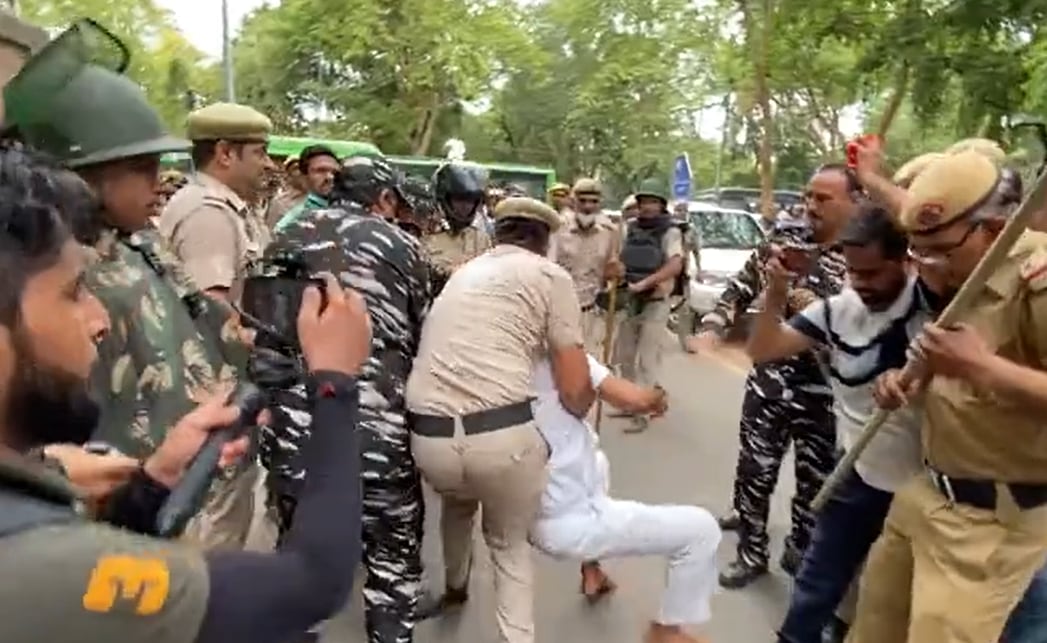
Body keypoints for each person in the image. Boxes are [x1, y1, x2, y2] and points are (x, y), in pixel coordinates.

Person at [0, 141, 373, 643]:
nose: (98, 320)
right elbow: (310, 582)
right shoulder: (34, 565)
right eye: (73, 293)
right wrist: (336, 382)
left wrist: (151, 484)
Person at [1, 23, 254, 549]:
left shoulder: (140, 245)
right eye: (141, 167)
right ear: (81, 176)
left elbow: (204, 324)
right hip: (116, 518)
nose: (159, 180)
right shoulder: (48, 281)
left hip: (187, 487)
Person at [847, 150, 1047, 643]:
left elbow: (979, 365)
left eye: (940, 252)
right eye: (919, 252)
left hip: (989, 527)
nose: (929, 267)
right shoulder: (965, 261)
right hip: (925, 493)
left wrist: (984, 366)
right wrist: (907, 382)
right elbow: (907, 205)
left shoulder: (1036, 283)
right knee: (870, 631)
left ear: (995, 230)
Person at [407, 196, 594, 643]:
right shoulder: (551, 276)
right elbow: (574, 388)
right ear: (545, 240)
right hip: (501, 442)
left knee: (458, 498)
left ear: (497, 234)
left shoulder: (462, 274)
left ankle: (454, 588)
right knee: (508, 547)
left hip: (428, 439)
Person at [260, 156, 430, 643]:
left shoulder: (288, 233)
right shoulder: (401, 244)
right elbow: (421, 332)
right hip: (376, 433)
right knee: (392, 565)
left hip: (296, 427)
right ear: (386, 199)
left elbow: (265, 327)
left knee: (297, 563)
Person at [744, 204, 925, 643]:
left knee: (892, 602)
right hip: (856, 472)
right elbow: (764, 348)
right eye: (853, 273)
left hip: (921, 488)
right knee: (816, 581)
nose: (861, 285)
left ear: (906, 261)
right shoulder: (839, 309)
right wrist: (777, 290)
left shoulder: (938, 312)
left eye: (873, 274)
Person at [688, 165, 855, 588]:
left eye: (823, 198)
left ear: (855, 201)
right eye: (808, 196)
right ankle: (752, 552)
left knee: (815, 484)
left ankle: (801, 550)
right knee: (755, 471)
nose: (810, 206)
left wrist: (812, 303)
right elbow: (740, 287)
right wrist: (712, 324)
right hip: (771, 383)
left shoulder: (863, 255)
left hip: (829, 394)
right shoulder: (783, 241)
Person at [529, 353, 721, 643]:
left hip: (518, 505)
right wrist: (658, 395)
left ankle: (592, 570)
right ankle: (667, 631)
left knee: (598, 461)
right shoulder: (563, 354)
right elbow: (637, 400)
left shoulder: (494, 357)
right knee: (702, 530)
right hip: (565, 520)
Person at [160, 102, 274, 303]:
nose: (268, 163)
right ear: (225, 154)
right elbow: (214, 312)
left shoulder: (229, 207)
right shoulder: (208, 214)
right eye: (260, 152)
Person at [614, 179, 684, 432]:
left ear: (662, 205)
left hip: (655, 299)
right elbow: (618, 256)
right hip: (629, 297)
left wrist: (646, 284)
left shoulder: (671, 231)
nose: (648, 207)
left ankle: (644, 410)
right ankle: (630, 403)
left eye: (653, 202)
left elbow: (675, 265)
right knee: (624, 355)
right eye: (644, 202)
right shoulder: (629, 228)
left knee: (647, 358)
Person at [549, 177, 622, 355]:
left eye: (594, 201)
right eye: (583, 201)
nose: (588, 206)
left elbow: (610, 272)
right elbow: (547, 269)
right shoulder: (557, 228)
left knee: (584, 361)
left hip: (589, 311)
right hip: (558, 310)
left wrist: (615, 273)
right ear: (573, 201)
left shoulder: (609, 233)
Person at [425, 161, 491, 296]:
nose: (466, 206)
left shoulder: (481, 239)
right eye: (460, 199)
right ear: (445, 198)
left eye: (471, 200)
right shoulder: (424, 235)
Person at [273, 145, 340, 232]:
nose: (330, 177)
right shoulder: (291, 223)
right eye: (320, 171)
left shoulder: (349, 213)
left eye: (334, 172)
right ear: (304, 176)